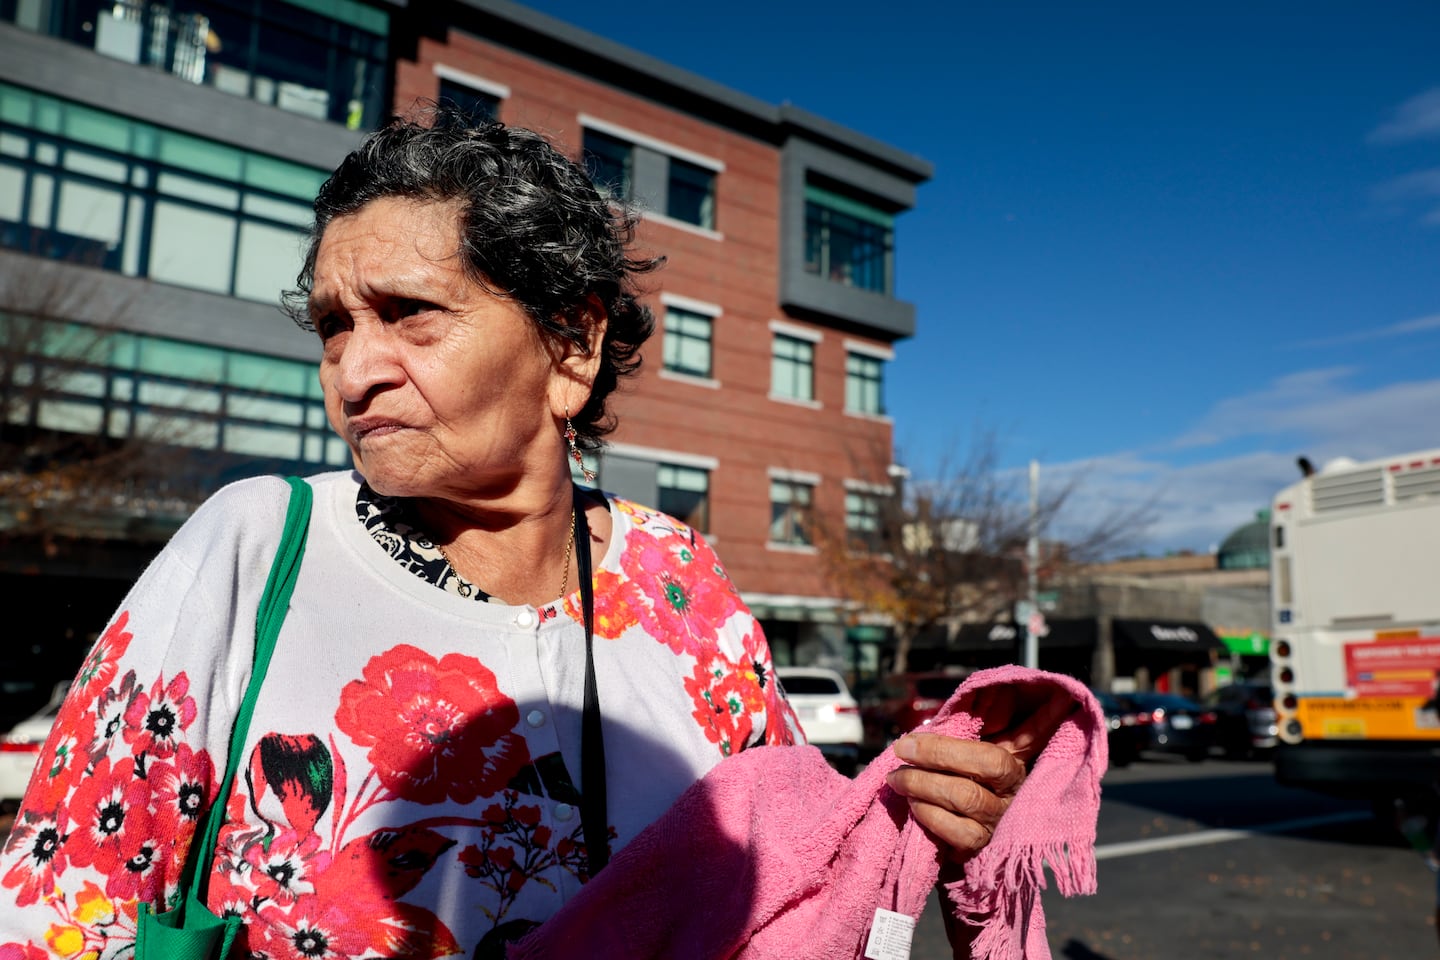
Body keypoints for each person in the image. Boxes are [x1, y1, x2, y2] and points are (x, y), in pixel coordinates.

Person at [0, 109, 1053, 959]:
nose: (354, 371)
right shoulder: (256, 546)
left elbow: (790, 888)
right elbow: (53, 914)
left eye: (411, 312)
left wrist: (936, 821)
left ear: (573, 344)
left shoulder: (682, 587)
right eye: (334, 325)